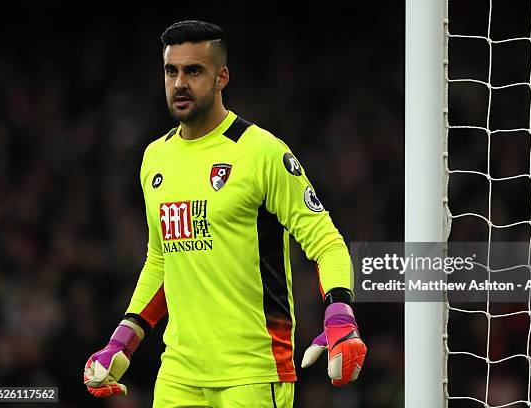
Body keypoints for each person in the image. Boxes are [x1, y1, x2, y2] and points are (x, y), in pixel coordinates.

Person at [83, 20, 367, 407]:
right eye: (171, 71)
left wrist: (339, 315)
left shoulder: (260, 152)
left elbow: (327, 242)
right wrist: (123, 341)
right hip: (179, 375)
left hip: (252, 374)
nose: (180, 83)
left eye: (193, 71)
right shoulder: (155, 158)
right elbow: (161, 260)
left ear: (222, 77)